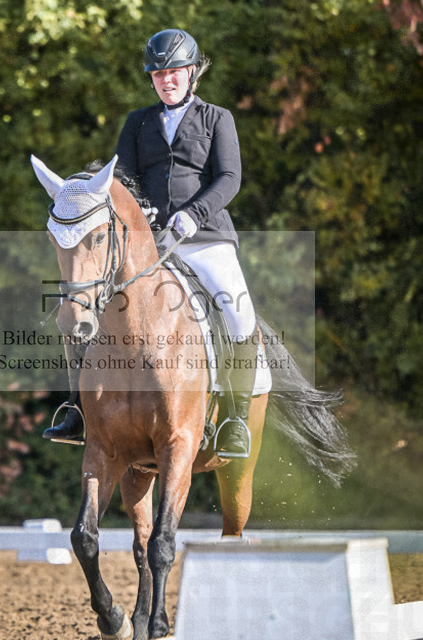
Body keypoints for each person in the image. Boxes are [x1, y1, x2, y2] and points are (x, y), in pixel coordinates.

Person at [44, 28, 266, 455]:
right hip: (147, 246)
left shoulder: (217, 119)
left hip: (206, 239)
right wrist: (141, 210)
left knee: (239, 317)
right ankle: (77, 409)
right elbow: (123, 181)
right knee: (82, 307)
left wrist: (192, 215)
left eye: (175, 72)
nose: (167, 80)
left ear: (192, 73)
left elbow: (230, 178)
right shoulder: (137, 122)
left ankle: (235, 420)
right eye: (159, 73)